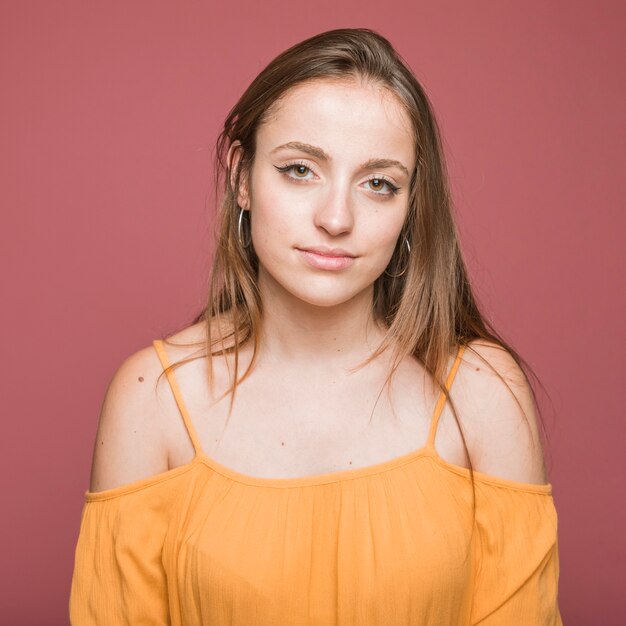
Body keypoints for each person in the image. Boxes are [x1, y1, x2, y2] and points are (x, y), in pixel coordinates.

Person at [69, 27, 562, 625]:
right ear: (242, 175)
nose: (336, 217)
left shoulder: (482, 393)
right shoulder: (154, 399)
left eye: (379, 183)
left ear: (411, 204)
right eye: (300, 169)